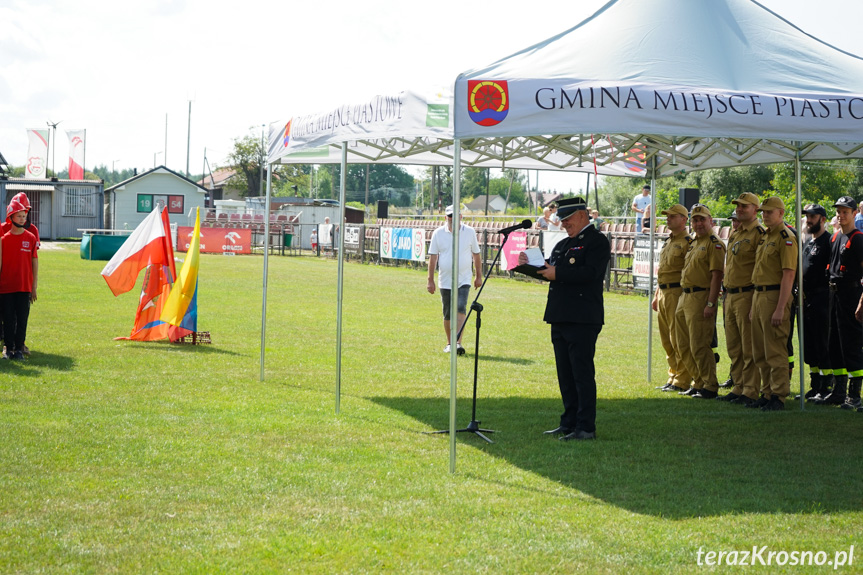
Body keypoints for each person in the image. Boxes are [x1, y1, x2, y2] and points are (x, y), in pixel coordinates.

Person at [519, 197, 610, 441]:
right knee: (565, 375)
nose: (564, 224)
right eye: (562, 220)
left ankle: (585, 427)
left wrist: (556, 272)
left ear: (582, 215)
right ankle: (568, 422)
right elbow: (551, 270)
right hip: (560, 315)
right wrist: (533, 265)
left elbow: (590, 273)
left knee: (581, 373)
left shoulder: (597, 241)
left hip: (582, 317)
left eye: (568, 219)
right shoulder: (563, 244)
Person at [749, 197, 798, 411]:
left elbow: (788, 275)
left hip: (775, 296)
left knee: (775, 349)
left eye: (769, 212)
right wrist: (753, 305)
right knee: (760, 349)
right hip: (760, 295)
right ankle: (767, 391)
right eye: (763, 212)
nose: (764, 215)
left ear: (781, 213)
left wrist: (780, 307)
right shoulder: (765, 236)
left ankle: (778, 395)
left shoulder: (786, 237)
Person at [814, 196, 863, 410]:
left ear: (854, 214)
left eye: (846, 212)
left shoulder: (859, 238)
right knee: (833, 342)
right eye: (839, 212)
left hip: (851, 294)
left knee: (851, 343)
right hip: (833, 294)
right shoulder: (835, 238)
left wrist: (862, 302)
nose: (841, 215)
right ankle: (839, 390)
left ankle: (855, 394)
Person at [717, 192, 763, 406]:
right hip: (731, 294)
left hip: (747, 294)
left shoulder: (759, 233)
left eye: (744, 206)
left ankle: (751, 389)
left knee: (748, 346)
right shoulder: (736, 232)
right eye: (738, 206)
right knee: (734, 346)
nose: (739, 209)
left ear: (755, 209)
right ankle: (738, 385)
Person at [675, 204, 725, 399]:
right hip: (685, 296)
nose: (698, 223)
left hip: (700, 297)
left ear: (710, 221)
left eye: (702, 219)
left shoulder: (715, 243)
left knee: (699, 344)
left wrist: (711, 303)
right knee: (682, 343)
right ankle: (698, 381)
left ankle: (710, 385)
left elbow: (717, 276)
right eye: (695, 220)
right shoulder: (694, 242)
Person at [427, 204, 482, 355]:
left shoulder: (469, 232)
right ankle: (449, 342)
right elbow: (432, 257)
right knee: (447, 312)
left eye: (456, 216)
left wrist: (478, 276)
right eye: (450, 216)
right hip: (445, 280)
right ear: (446, 217)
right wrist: (430, 280)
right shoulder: (438, 233)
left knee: (460, 307)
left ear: (461, 217)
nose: (453, 219)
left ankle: (458, 342)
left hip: (464, 278)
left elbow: (476, 254)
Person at [652, 204, 691, 393]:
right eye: (667, 216)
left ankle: (683, 378)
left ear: (684, 220)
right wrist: (656, 294)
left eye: (673, 216)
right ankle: (673, 375)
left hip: (677, 292)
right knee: (666, 339)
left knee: (678, 338)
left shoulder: (688, 242)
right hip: (663, 292)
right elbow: (662, 270)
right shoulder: (668, 241)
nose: (668, 219)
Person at [799, 204, 832, 401]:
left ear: (822, 219)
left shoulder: (828, 241)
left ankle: (826, 385)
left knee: (822, 342)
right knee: (809, 344)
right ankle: (815, 384)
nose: (808, 220)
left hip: (822, 298)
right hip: (806, 299)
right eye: (807, 217)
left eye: (812, 217)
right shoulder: (808, 243)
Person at [0, 192, 39, 356]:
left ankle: (19, 347)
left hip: (23, 286)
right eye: (20, 214)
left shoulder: (31, 235)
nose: (24, 218)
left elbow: (34, 260)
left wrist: (33, 286)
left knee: (22, 318)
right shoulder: (3, 237)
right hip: (6, 286)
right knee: (7, 318)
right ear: (11, 216)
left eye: (26, 214)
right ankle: (8, 347)